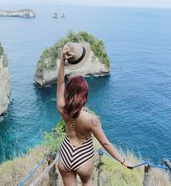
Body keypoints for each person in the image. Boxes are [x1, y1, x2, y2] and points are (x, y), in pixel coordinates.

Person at [56, 43, 134, 186]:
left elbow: (60, 84)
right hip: (83, 156)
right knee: (87, 182)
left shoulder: (62, 108)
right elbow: (105, 143)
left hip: (66, 152)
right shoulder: (92, 120)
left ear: (69, 92)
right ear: (84, 94)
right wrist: (123, 161)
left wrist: (62, 61)